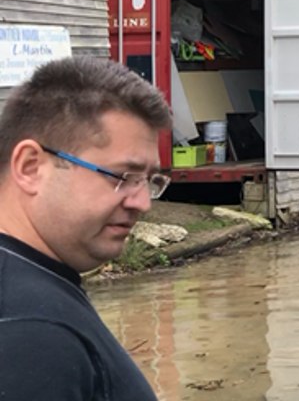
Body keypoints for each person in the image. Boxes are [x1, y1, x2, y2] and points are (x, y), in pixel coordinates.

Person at [0, 55, 172, 399]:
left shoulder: (34, 289)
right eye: (122, 176)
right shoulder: (31, 331)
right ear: (31, 167)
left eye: (149, 180)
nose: (143, 203)